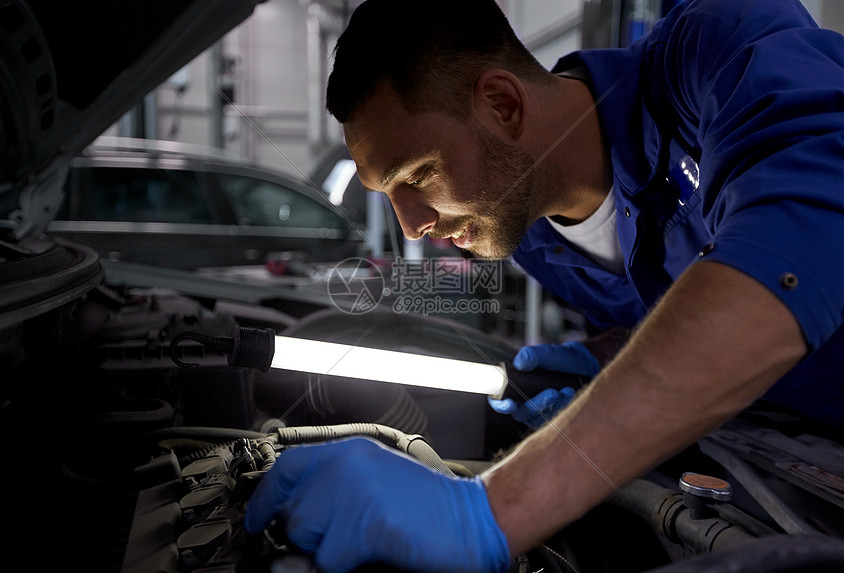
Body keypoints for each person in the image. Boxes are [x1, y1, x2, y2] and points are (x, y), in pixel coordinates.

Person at [245, 0, 844, 571]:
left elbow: (808, 237)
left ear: (503, 105)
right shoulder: (533, 239)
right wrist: (606, 359)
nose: (412, 225)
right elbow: (681, 315)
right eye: (389, 197)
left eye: (418, 174)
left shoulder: (716, 49)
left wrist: (494, 511)